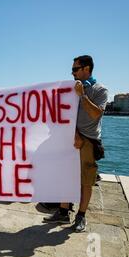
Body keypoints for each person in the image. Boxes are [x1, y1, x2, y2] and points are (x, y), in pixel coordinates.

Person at [43, 55, 108, 232]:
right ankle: (63, 211)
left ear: (87, 69)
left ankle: (81, 216)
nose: (72, 73)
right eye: (72, 69)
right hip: (70, 138)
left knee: (86, 180)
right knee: (64, 175)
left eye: (75, 69)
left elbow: (96, 114)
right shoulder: (68, 89)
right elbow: (60, 115)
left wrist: (82, 95)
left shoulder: (100, 90)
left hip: (89, 141)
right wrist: (74, 133)